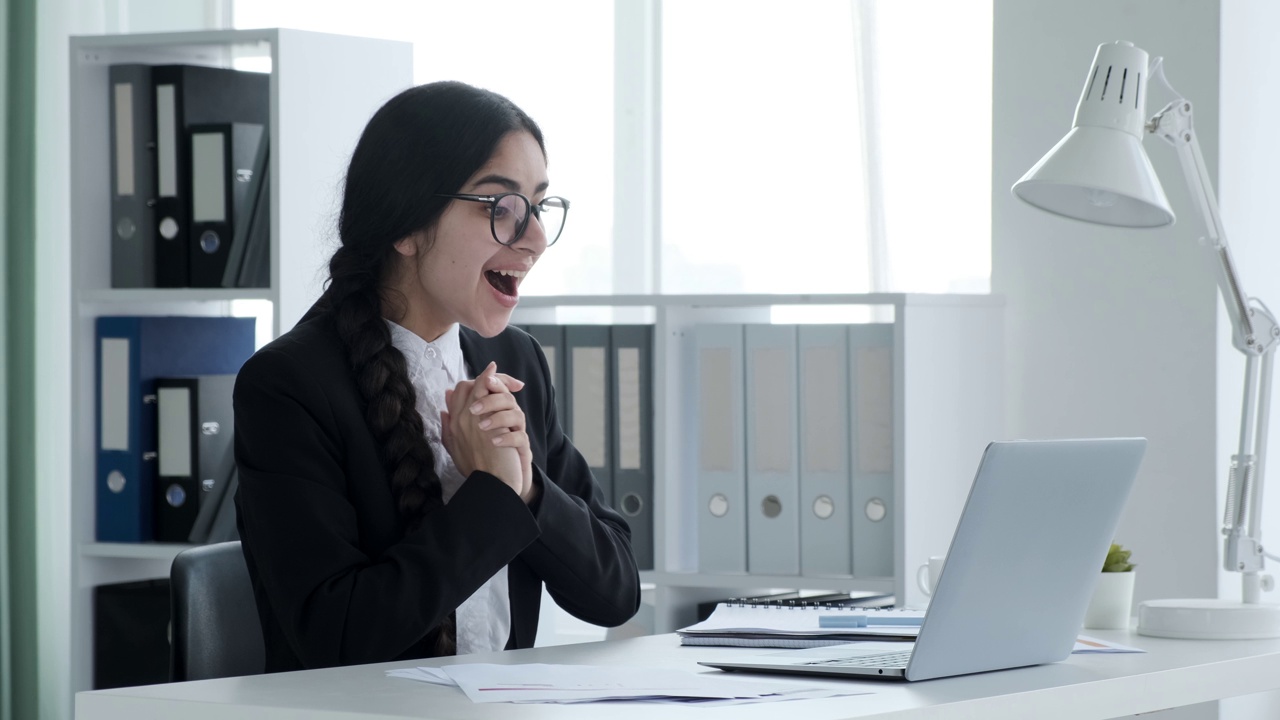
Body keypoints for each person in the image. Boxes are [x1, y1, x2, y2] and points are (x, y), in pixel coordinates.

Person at [232, 81, 641, 673]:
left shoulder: (516, 362)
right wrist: (493, 498)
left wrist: (528, 489)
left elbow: (616, 593)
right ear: (406, 225)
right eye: (501, 208)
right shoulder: (288, 386)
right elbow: (337, 638)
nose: (534, 240)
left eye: (540, 207)